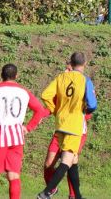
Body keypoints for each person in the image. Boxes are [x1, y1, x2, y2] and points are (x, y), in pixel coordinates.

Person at [0, 64, 48, 199]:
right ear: (16, 76)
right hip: (16, 136)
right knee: (14, 175)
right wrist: (28, 127)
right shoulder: (23, 91)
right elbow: (40, 110)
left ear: (1, 75)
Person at [37, 52, 97, 199]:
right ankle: (46, 193)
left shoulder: (61, 77)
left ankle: (76, 196)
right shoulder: (85, 80)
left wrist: (55, 109)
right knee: (67, 161)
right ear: (85, 63)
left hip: (60, 125)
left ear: (70, 62)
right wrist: (85, 110)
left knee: (73, 162)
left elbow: (45, 95)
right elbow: (93, 105)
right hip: (74, 126)